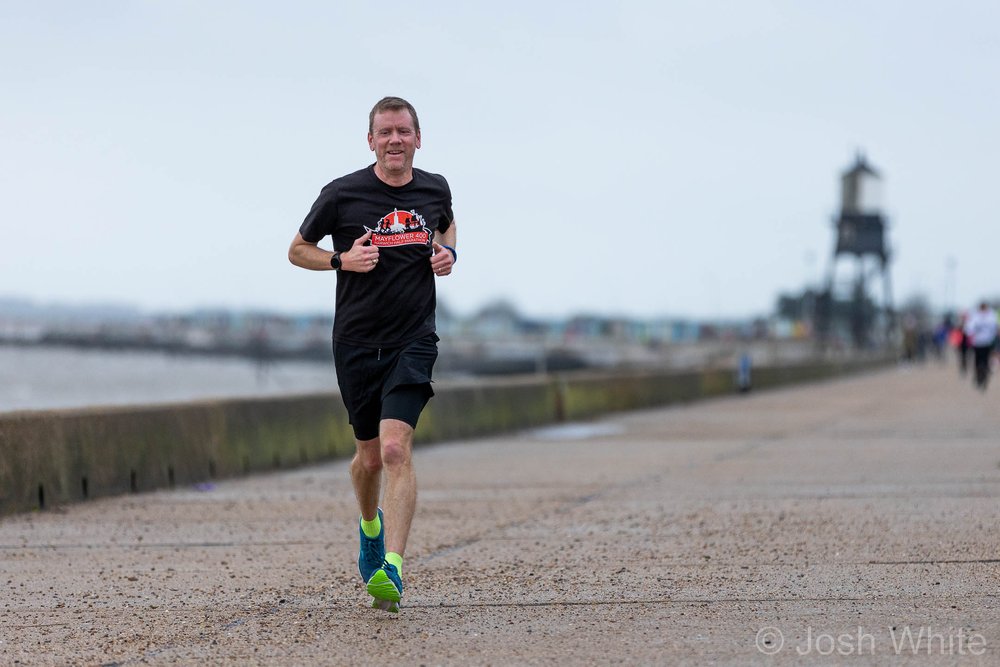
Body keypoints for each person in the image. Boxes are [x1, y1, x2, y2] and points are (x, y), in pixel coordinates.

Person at [288, 96, 457, 612]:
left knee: (393, 450)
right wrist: (342, 259)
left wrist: (450, 253)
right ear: (371, 141)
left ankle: (394, 569)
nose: (395, 140)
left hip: (413, 339)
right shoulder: (342, 194)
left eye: (403, 131)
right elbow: (297, 249)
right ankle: (369, 528)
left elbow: (446, 226)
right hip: (357, 344)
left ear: (418, 138)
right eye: (385, 132)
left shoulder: (435, 188)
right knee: (366, 459)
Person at [963, 301, 998, 391]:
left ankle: (981, 376)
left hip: (982, 342)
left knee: (980, 360)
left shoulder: (979, 316)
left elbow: (968, 329)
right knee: (982, 360)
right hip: (982, 342)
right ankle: (981, 375)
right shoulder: (989, 316)